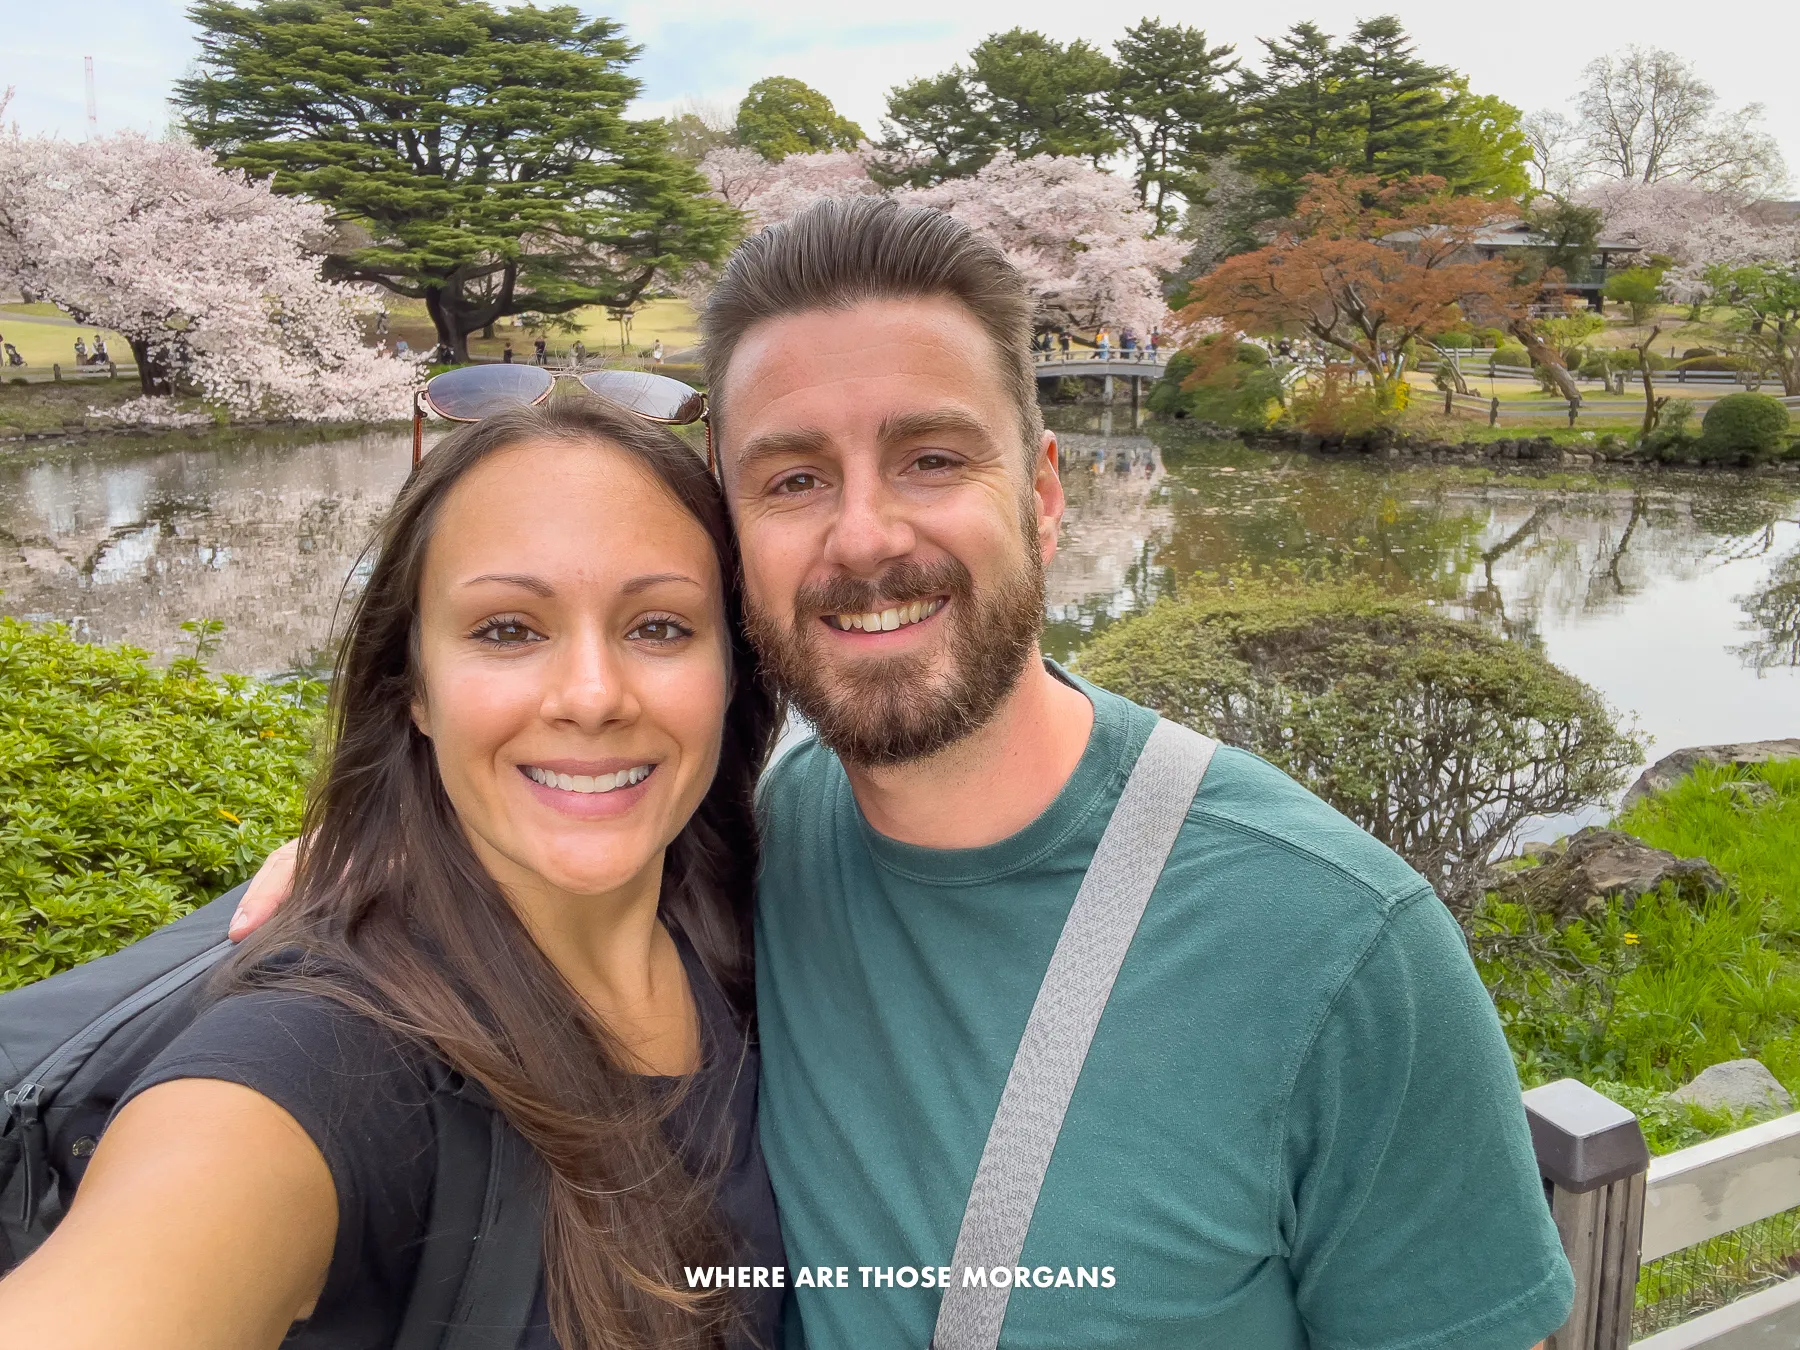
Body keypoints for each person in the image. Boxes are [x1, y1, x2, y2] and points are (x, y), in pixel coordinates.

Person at [237, 199, 1568, 1350]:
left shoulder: (1336, 947)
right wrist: (395, 851)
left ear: (1044, 495)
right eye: (794, 476)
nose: (864, 537)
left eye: (931, 458)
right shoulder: (753, 842)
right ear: (733, 537)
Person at [0, 399, 785, 1350]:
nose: (591, 695)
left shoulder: (745, 919)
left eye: (659, 627)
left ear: (731, 670)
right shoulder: (326, 1055)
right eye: (506, 629)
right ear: (413, 685)